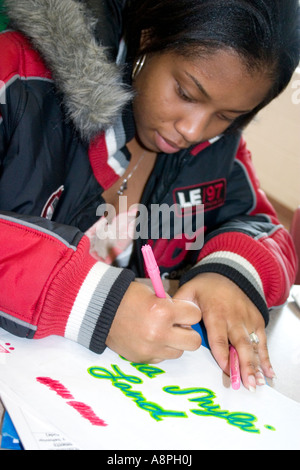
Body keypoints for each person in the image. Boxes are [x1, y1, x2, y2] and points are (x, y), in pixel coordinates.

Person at [0, 0, 299, 393]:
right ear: (149, 36)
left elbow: (262, 226)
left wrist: (229, 271)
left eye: (227, 116)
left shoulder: (215, 146)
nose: (194, 130)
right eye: (187, 92)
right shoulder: (20, 80)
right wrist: (90, 299)